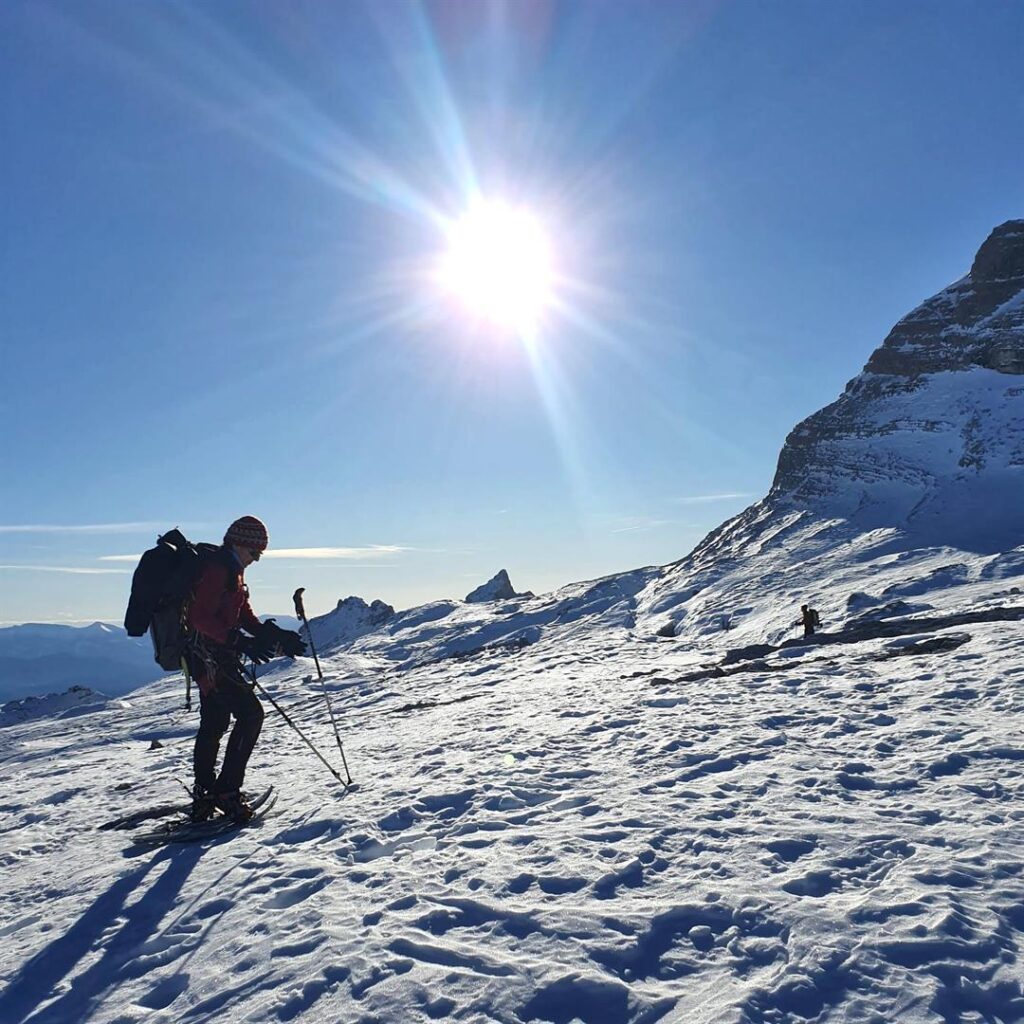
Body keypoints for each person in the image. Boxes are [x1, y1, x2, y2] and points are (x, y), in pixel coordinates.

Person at [187, 515, 305, 821]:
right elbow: (199, 618)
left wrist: (270, 634)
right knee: (251, 715)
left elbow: (243, 614)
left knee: (214, 722)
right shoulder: (218, 570)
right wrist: (239, 642)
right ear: (240, 544)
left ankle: (205, 793)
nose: (257, 559)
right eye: (255, 552)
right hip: (211, 658)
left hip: (211, 659)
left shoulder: (232, 572)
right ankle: (226, 791)